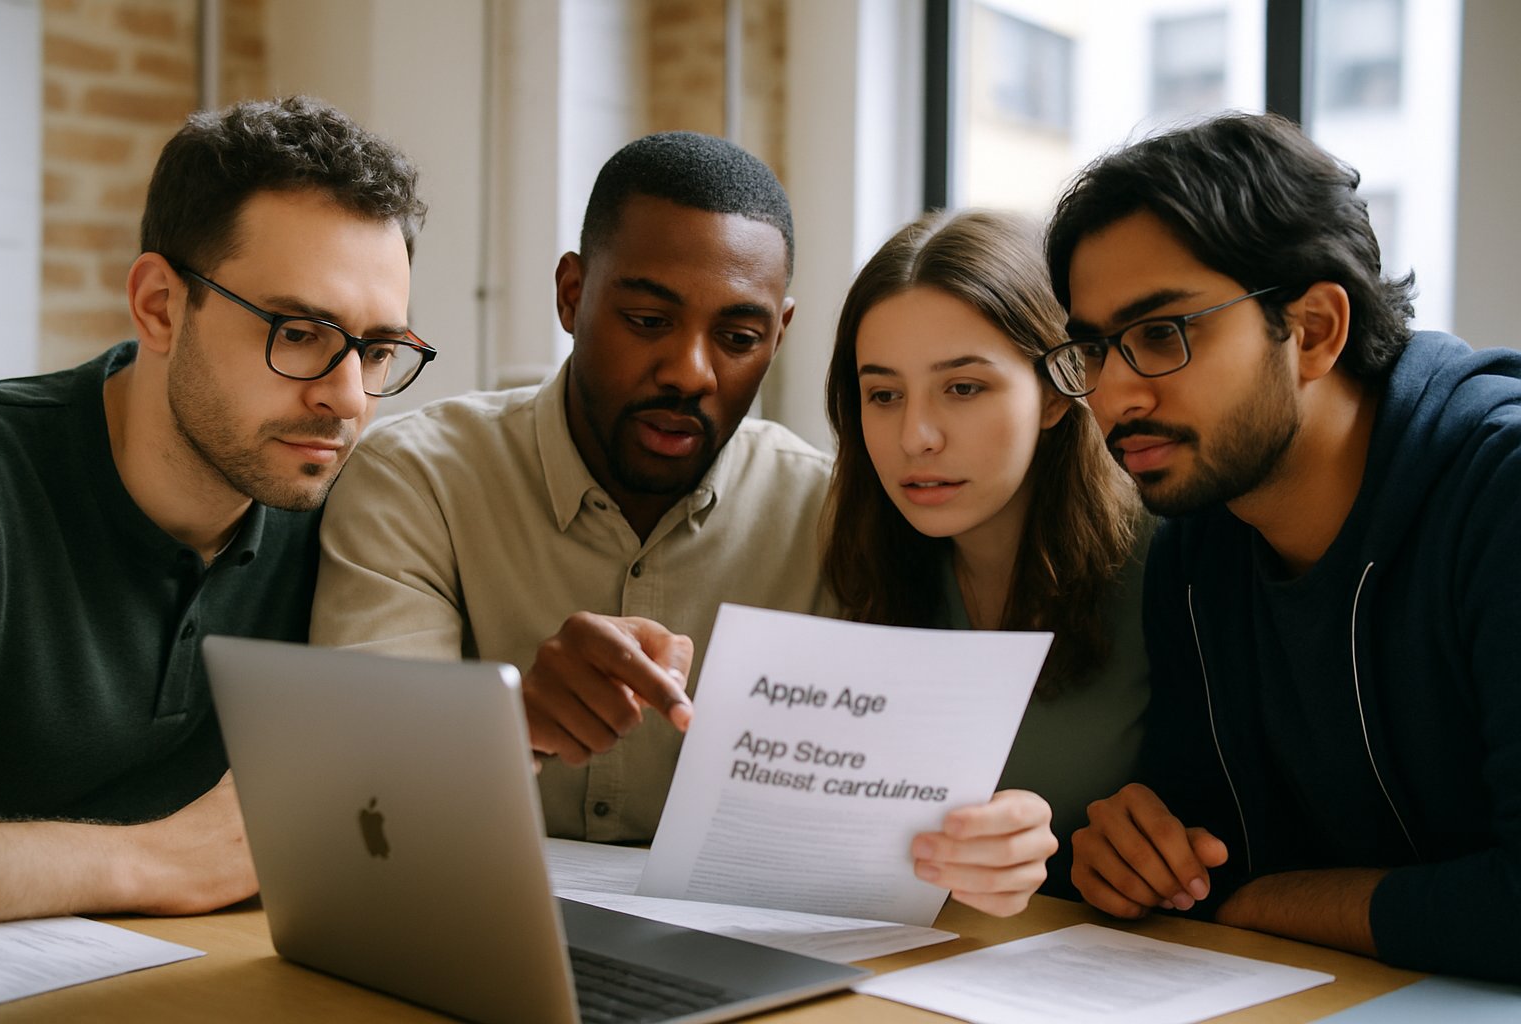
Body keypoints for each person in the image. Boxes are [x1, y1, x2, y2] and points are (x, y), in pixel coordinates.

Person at [1043, 112, 1521, 982]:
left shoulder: (1501, 495)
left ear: (1314, 330)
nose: (1113, 395)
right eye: (1094, 348)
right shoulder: (1197, 543)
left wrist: (1263, 902)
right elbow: (1202, 845)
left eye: (1162, 334)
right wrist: (1130, 855)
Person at [311, 131, 830, 846]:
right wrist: (509, 723)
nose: (690, 373)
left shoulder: (831, 518)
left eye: (739, 338)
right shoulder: (415, 480)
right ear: (572, 295)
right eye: (649, 322)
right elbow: (362, 786)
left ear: (780, 335)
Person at [0, 96, 431, 924]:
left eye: (375, 351)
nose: (346, 400)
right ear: (160, 305)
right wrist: (150, 861)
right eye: (298, 332)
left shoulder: (351, 512)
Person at [822, 210, 1147, 911]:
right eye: (883, 394)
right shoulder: (864, 561)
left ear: (1060, 392)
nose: (916, 437)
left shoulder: (1167, 566)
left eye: (963, 387)